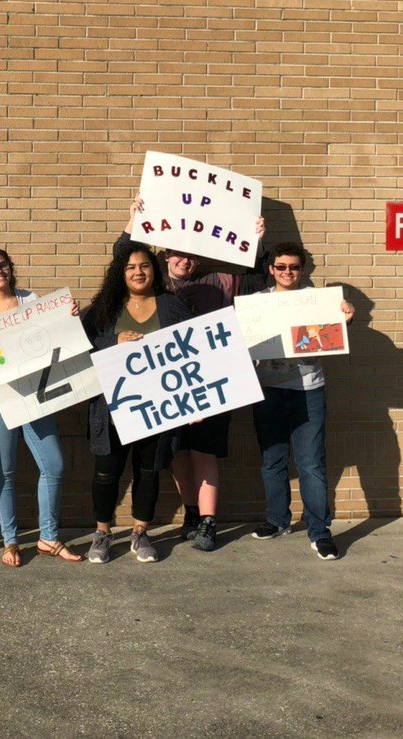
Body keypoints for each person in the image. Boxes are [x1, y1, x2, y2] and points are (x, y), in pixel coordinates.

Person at [119, 199, 266, 552]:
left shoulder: (220, 282)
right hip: (165, 387)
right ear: (165, 255)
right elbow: (122, 257)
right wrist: (133, 219)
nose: (184, 261)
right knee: (177, 454)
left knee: (204, 453)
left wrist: (259, 242)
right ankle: (191, 514)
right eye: (177, 255)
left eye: (191, 256)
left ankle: (209, 522)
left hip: (210, 383)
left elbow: (261, 281)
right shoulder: (152, 287)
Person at [0, 246, 83, 566]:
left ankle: (48, 537)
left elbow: (52, 339)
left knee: (53, 465)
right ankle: (10, 540)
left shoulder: (31, 301)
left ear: (10, 268)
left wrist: (69, 321)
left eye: (2, 266)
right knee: (5, 470)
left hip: (36, 394)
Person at [81, 241, 193, 563]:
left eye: (144, 265)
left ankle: (140, 532)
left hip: (157, 408)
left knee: (148, 472)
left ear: (153, 270)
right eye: (130, 267)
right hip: (112, 409)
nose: (138, 272)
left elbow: (195, 349)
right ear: (121, 273)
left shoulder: (171, 306)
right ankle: (102, 533)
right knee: (106, 474)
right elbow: (82, 349)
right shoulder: (105, 308)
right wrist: (112, 341)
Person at [248, 242, 355, 560]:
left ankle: (320, 532)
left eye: (293, 267)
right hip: (267, 390)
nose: (287, 272)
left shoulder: (317, 302)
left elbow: (337, 322)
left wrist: (344, 314)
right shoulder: (255, 303)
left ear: (302, 270)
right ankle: (278, 520)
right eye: (281, 267)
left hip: (308, 390)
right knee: (272, 462)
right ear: (271, 269)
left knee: (312, 464)